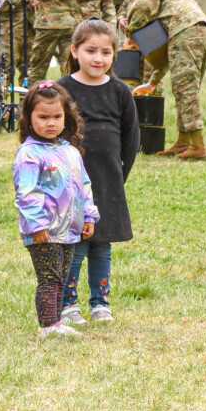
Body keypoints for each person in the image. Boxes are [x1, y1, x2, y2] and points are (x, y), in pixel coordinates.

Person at [58, 20, 139, 326]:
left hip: (107, 181)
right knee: (75, 243)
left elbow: (131, 139)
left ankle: (100, 303)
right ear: (74, 50)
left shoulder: (120, 91)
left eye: (106, 52)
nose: (98, 58)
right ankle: (68, 305)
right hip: (71, 184)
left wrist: (120, 175)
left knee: (102, 243)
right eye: (90, 50)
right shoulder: (62, 89)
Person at [13, 80, 99, 340]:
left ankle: (56, 320)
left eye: (56, 117)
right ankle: (48, 326)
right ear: (29, 119)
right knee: (49, 278)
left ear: (66, 117)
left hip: (69, 229)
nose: (50, 123)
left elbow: (84, 184)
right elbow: (26, 194)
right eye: (43, 117)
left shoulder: (70, 151)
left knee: (61, 276)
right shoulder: (29, 154)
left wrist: (89, 215)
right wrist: (36, 226)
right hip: (45, 231)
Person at [123, 0, 206, 160]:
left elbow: (143, 6)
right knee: (185, 88)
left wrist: (131, 30)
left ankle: (198, 147)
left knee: (185, 89)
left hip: (187, 32)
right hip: (200, 32)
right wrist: (152, 82)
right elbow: (165, 56)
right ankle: (184, 142)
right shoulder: (169, 6)